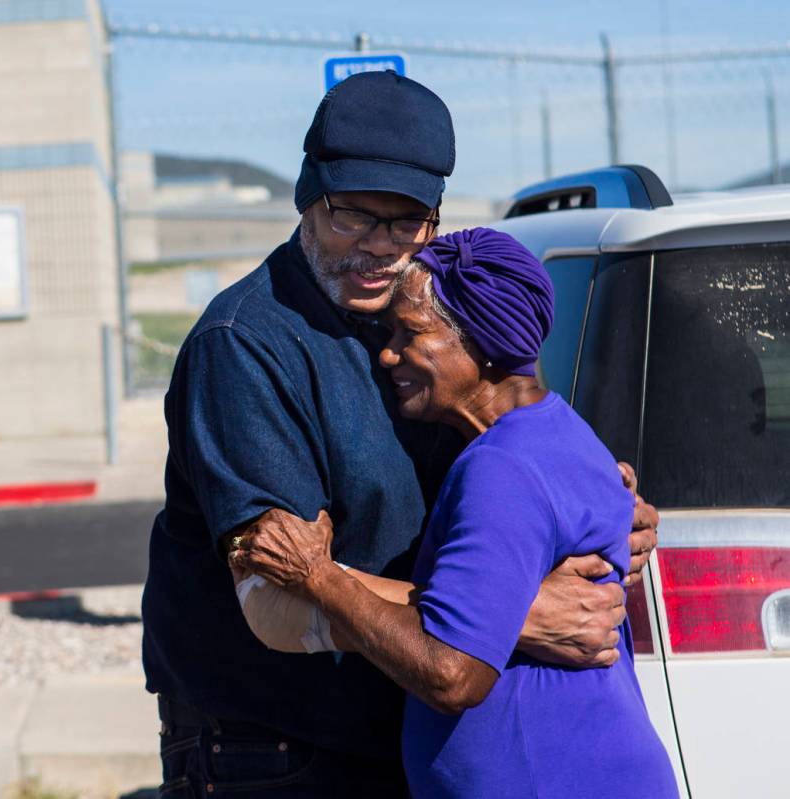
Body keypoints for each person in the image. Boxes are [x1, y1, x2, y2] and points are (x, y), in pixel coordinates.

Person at [141, 70, 659, 797]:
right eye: (354, 215)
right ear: (307, 197)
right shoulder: (245, 343)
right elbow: (274, 601)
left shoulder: (430, 325)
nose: (381, 247)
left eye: (407, 221)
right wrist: (505, 616)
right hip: (275, 751)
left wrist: (600, 508)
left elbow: (513, 476)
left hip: (399, 725)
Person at [233, 228, 679, 798]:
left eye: (411, 333)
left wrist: (318, 578)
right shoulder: (560, 430)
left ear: (483, 342)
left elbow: (452, 673)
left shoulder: (502, 468)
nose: (388, 354)